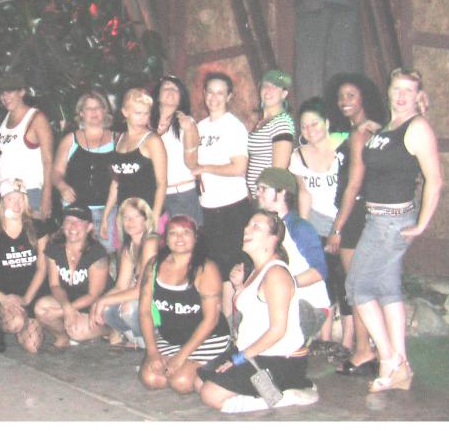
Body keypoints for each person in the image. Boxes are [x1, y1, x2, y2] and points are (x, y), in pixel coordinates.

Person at [347, 67, 442, 392]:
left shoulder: (418, 128)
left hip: (391, 222)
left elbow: (435, 180)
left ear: (418, 96)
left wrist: (422, 223)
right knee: (387, 289)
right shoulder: (389, 127)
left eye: (408, 90)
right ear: (388, 91)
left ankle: (388, 359)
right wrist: (374, 131)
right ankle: (401, 365)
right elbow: (389, 154)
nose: (401, 96)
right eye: (397, 89)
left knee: (357, 288)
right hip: (378, 219)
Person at [197, 210, 318, 413]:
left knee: (210, 394)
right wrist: (238, 287)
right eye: (248, 225)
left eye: (256, 227)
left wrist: (240, 358)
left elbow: (278, 330)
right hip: (254, 352)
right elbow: (253, 310)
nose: (247, 230)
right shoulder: (257, 270)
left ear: (273, 239)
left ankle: (286, 394)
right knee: (199, 382)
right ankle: (265, 391)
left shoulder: (276, 274)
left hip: (279, 360)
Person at [321, 73, 388, 374]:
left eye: (351, 95)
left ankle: (363, 351)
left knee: (357, 287)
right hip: (363, 212)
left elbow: (353, 185)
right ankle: (371, 349)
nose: (344, 101)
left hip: (356, 214)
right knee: (363, 286)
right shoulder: (365, 131)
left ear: (364, 98)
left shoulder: (361, 134)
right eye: (340, 97)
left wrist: (337, 228)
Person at [288, 97, 353, 360]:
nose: (310, 130)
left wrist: (339, 228)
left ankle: (348, 341)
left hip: (346, 220)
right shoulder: (298, 155)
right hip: (317, 221)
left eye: (314, 123)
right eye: (304, 126)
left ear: (326, 123)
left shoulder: (345, 144)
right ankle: (325, 340)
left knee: (347, 281)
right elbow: (304, 193)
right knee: (324, 279)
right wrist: (303, 231)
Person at [138, 215, 231, 394]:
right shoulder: (153, 265)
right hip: (170, 338)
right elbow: (144, 312)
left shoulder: (206, 268)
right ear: (166, 239)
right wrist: (152, 352)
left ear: (195, 238)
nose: (179, 238)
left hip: (206, 339)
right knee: (151, 379)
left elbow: (211, 320)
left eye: (186, 232)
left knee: (181, 382)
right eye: (173, 233)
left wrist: (181, 357)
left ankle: (214, 365)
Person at [192, 72, 253, 321]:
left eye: (220, 93)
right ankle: (220, 320)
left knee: (233, 267)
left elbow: (239, 167)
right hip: (208, 206)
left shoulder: (234, 127)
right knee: (215, 265)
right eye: (210, 92)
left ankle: (230, 321)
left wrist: (205, 168)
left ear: (229, 96)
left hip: (232, 206)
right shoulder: (199, 127)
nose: (214, 98)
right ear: (204, 95)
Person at [0, 178, 50, 353]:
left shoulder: (38, 228)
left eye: (21, 198)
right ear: (2, 202)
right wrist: (2, 298)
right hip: (0, 293)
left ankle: (27, 318)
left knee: (33, 347)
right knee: (15, 323)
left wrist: (27, 299)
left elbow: (42, 268)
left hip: (29, 291)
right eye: (11, 199)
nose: (17, 204)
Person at [253, 167, 330, 339]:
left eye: (263, 188)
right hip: (283, 302)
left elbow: (320, 271)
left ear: (282, 192)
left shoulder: (299, 227)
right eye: (258, 188)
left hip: (308, 307)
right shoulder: (265, 228)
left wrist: (285, 285)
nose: (257, 193)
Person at [34, 203, 113, 350]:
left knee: (77, 331)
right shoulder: (54, 248)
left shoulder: (97, 254)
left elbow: (93, 295)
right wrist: (66, 306)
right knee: (41, 308)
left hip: (94, 304)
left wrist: (62, 311)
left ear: (89, 227)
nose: (73, 226)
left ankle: (109, 330)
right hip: (69, 299)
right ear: (63, 225)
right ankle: (62, 337)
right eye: (69, 220)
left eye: (79, 221)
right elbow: (54, 285)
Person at [51, 90, 117, 251]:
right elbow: (56, 172)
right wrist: (62, 187)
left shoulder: (118, 138)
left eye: (98, 107)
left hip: (108, 212)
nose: (94, 112)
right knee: (76, 255)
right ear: (81, 113)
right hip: (77, 212)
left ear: (105, 111)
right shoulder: (70, 140)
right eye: (88, 108)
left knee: (106, 256)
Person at [90, 198, 160, 349]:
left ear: (146, 219)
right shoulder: (129, 247)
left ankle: (152, 341)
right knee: (107, 309)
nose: (130, 221)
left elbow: (141, 291)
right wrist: (99, 302)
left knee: (128, 308)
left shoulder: (151, 242)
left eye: (136, 216)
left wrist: (103, 301)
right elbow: (120, 286)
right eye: (126, 217)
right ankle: (138, 341)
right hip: (145, 299)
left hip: (160, 302)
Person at [101, 88, 167, 240]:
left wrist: (154, 218)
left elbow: (162, 183)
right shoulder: (119, 139)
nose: (142, 119)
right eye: (138, 113)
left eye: (146, 113)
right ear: (125, 112)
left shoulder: (152, 141)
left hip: (147, 214)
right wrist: (106, 214)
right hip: (125, 216)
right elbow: (116, 182)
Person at [0, 73, 54, 219]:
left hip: (29, 193)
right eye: (2, 93)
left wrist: (47, 196)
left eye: (10, 92)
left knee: (30, 232)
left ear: (21, 92)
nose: (5, 97)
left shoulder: (37, 118)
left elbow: (48, 161)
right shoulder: (6, 117)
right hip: (5, 192)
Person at [150, 75, 203, 226]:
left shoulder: (187, 122)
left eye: (176, 89)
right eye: (166, 87)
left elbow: (192, 163)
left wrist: (189, 130)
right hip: (154, 196)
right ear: (157, 95)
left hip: (182, 195)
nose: (171, 91)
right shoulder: (147, 123)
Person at [246, 70, 296, 198]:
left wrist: (267, 199)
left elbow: (278, 171)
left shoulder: (281, 123)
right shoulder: (262, 122)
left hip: (269, 197)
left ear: (284, 94)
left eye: (275, 86)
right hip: (258, 195)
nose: (268, 89)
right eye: (265, 85)